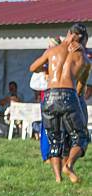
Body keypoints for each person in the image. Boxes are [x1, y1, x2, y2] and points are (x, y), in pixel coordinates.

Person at [30, 23, 90, 183]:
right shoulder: (83, 58)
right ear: (84, 40)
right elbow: (81, 86)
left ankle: (58, 179)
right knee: (81, 136)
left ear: (68, 33)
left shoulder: (52, 51)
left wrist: (48, 69)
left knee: (54, 138)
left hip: (49, 96)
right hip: (69, 94)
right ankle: (69, 165)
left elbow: (32, 68)